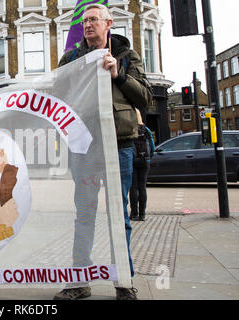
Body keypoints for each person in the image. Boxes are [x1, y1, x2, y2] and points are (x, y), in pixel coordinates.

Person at [54, 4, 152, 300]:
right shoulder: (71, 58)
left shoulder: (126, 54)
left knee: (118, 215)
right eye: (84, 21)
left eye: (93, 20)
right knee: (84, 214)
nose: (87, 25)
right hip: (84, 146)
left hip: (119, 144)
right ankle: (79, 282)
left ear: (108, 23)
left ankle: (123, 281)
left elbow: (144, 97)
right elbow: (57, 97)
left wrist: (118, 74)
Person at [129, 108, 155, 222]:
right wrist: (149, 158)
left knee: (133, 188)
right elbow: (152, 146)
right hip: (145, 161)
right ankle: (142, 214)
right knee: (142, 187)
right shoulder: (146, 130)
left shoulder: (130, 129)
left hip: (133, 161)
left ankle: (134, 213)